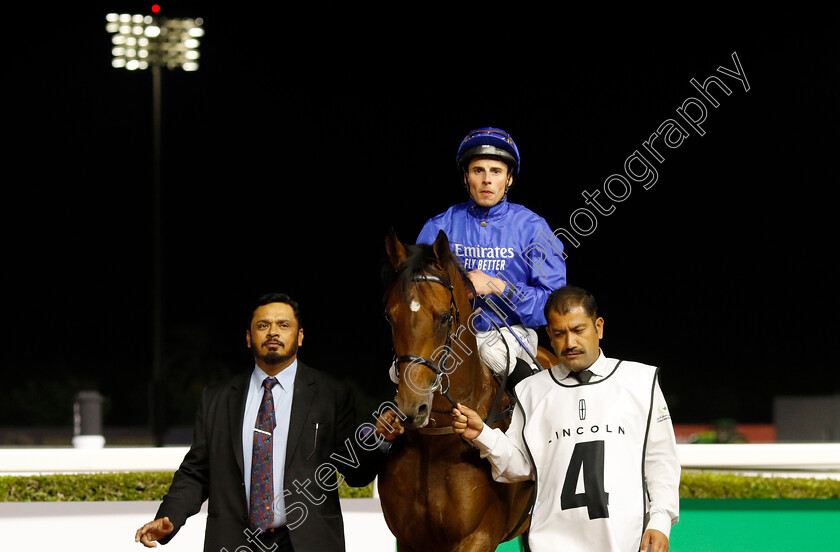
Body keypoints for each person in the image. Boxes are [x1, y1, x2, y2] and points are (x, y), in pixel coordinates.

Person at [135, 293, 381, 551]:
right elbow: (196, 471)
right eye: (263, 326)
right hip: (234, 542)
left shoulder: (331, 395)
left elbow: (356, 472)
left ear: (300, 336)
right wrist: (169, 518)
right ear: (249, 338)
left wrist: (380, 442)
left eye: (283, 325)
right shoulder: (217, 398)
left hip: (308, 542)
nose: (273, 332)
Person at [452, 286, 680, 552]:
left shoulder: (640, 381)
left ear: (599, 327)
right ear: (548, 334)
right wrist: (483, 435)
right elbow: (521, 467)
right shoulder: (530, 390)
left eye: (579, 330)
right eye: (559, 334)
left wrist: (660, 520)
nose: (569, 343)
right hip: (551, 543)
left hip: (627, 542)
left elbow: (661, 459)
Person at [392, 127, 566, 388]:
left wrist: (497, 287)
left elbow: (555, 306)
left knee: (492, 355)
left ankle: (532, 413)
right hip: (447, 335)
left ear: (509, 179)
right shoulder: (438, 227)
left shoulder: (534, 228)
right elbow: (415, 296)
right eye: (478, 171)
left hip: (509, 333)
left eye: (496, 172)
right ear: (466, 177)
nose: (487, 180)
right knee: (397, 372)